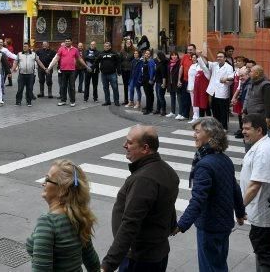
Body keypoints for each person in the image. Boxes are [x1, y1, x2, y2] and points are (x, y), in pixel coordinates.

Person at [101, 126, 179, 271]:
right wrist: (172, 224)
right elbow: (166, 204)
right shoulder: (167, 171)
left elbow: (130, 224)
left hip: (139, 259)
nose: (124, 145)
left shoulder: (144, 180)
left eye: (130, 143)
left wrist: (108, 265)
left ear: (145, 148)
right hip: (157, 253)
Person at [174, 117, 245, 272]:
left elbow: (198, 200)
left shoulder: (204, 165)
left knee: (210, 267)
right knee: (219, 264)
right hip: (224, 224)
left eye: (198, 132)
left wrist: (181, 225)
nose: (194, 135)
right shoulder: (224, 159)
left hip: (210, 226)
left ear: (210, 135)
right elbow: (235, 188)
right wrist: (240, 213)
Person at [26, 160, 100, 271]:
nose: (43, 183)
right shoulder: (79, 218)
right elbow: (91, 259)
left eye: (48, 179)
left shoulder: (48, 222)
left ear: (62, 190)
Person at [240, 114, 270, 272]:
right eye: (243, 128)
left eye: (247, 128)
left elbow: (255, 185)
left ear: (259, 130)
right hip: (261, 212)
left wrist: (239, 207)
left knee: (266, 257)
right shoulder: (262, 146)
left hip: (263, 214)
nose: (243, 131)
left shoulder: (264, 151)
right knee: (264, 254)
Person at [47, 38, 91, 107]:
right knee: (63, 86)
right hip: (63, 70)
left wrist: (86, 66)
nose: (67, 42)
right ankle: (63, 100)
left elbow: (79, 59)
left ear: (71, 42)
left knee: (72, 86)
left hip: (72, 71)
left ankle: (72, 101)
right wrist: (49, 67)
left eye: (68, 41)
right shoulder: (61, 49)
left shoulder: (75, 50)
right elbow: (56, 59)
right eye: (66, 41)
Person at [198, 50, 234, 131]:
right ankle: (216, 126)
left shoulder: (229, 67)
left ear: (225, 58)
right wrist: (200, 55)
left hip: (222, 92)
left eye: (221, 57)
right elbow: (206, 63)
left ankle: (224, 127)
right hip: (214, 91)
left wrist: (225, 80)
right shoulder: (215, 65)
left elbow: (231, 79)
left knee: (223, 111)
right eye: (218, 57)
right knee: (215, 110)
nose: (219, 58)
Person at [243, 65, 270, 131]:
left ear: (257, 74)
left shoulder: (266, 85)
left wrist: (268, 118)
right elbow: (249, 98)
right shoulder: (253, 83)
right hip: (252, 116)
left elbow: (269, 103)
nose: (249, 74)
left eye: (251, 72)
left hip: (261, 117)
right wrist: (245, 110)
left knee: (261, 137)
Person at [97, 42, 121, 107]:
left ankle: (116, 101)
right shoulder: (101, 53)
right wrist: (93, 68)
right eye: (105, 46)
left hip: (112, 74)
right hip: (103, 74)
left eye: (107, 46)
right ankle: (107, 101)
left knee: (115, 88)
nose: (106, 47)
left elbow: (118, 62)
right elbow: (96, 61)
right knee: (105, 88)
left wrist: (119, 71)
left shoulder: (114, 53)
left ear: (110, 47)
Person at [13, 42, 37, 107]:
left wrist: (44, 68)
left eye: (26, 46)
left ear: (29, 47)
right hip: (22, 75)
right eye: (23, 46)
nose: (24, 48)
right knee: (20, 89)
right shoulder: (19, 54)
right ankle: (18, 102)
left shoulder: (33, 54)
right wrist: (12, 70)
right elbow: (15, 62)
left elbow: (39, 62)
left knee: (29, 89)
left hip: (30, 74)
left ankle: (29, 101)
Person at [136, 49, 156, 115]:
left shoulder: (151, 61)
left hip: (148, 80)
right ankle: (149, 107)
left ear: (150, 55)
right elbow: (142, 71)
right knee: (149, 94)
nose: (146, 55)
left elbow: (152, 71)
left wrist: (151, 79)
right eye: (146, 53)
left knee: (148, 94)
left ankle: (149, 109)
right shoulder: (145, 61)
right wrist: (140, 78)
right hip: (145, 79)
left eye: (148, 54)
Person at [166, 51, 182, 119]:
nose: (174, 56)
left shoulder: (179, 63)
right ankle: (172, 112)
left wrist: (179, 81)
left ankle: (180, 113)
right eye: (172, 55)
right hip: (171, 83)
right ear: (171, 56)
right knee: (172, 98)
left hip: (177, 82)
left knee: (179, 98)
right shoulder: (169, 63)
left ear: (177, 56)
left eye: (175, 55)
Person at [120, 38, 136, 103]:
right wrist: (120, 69)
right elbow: (120, 60)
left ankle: (131, 100)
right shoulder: (122, 51)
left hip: (131, 70)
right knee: (125, 85)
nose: (128, 44)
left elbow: (135, 61)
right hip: (124, 70)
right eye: (127, 43)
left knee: (131, 85)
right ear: (125, 44)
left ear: (131, 44)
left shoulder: (134, 51)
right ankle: (126, 100)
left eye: (129, 43)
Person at [153, 51, 168, 115]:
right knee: (158, 96)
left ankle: (163, 110)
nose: (156, 57)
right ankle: (158, 109)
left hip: (161, 83)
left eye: (157, 56)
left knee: (161, 97)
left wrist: (164, 84)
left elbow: (164, 75)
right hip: (157, 82)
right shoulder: (159, 63)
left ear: (159, 57)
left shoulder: (162, 64)